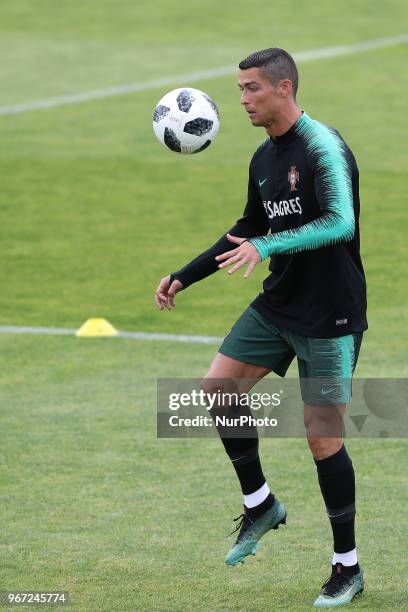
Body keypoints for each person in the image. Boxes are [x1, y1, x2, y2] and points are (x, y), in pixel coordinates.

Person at [155, 47, 367, 608]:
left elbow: (341, 222)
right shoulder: (263, 158)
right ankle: (260, 504)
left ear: (284, 88)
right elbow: (248, 227)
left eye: (251, 88)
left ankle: (346, 567)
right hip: (279, 305)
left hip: (330, 315)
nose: (242, 99)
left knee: (322, 438)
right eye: (240, 88)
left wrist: (266, 246)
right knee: (216, 390)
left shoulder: (323, 146)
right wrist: (185, 276)